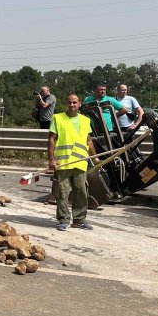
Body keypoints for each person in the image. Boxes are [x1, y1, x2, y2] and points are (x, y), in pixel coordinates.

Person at [48, 93, 99, 231]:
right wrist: (52, 159)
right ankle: (63, 220)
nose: (72, 105)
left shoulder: (85, 120)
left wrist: (94, 157)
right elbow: (51, 139)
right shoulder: (58, 118)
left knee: (81, 192)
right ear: (66, 104)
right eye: (69, 102)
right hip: (63, 163)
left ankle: (79, 219)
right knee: (62, 193)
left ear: (79, 104)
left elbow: (88, 141)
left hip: (80, 163)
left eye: (75, 102)